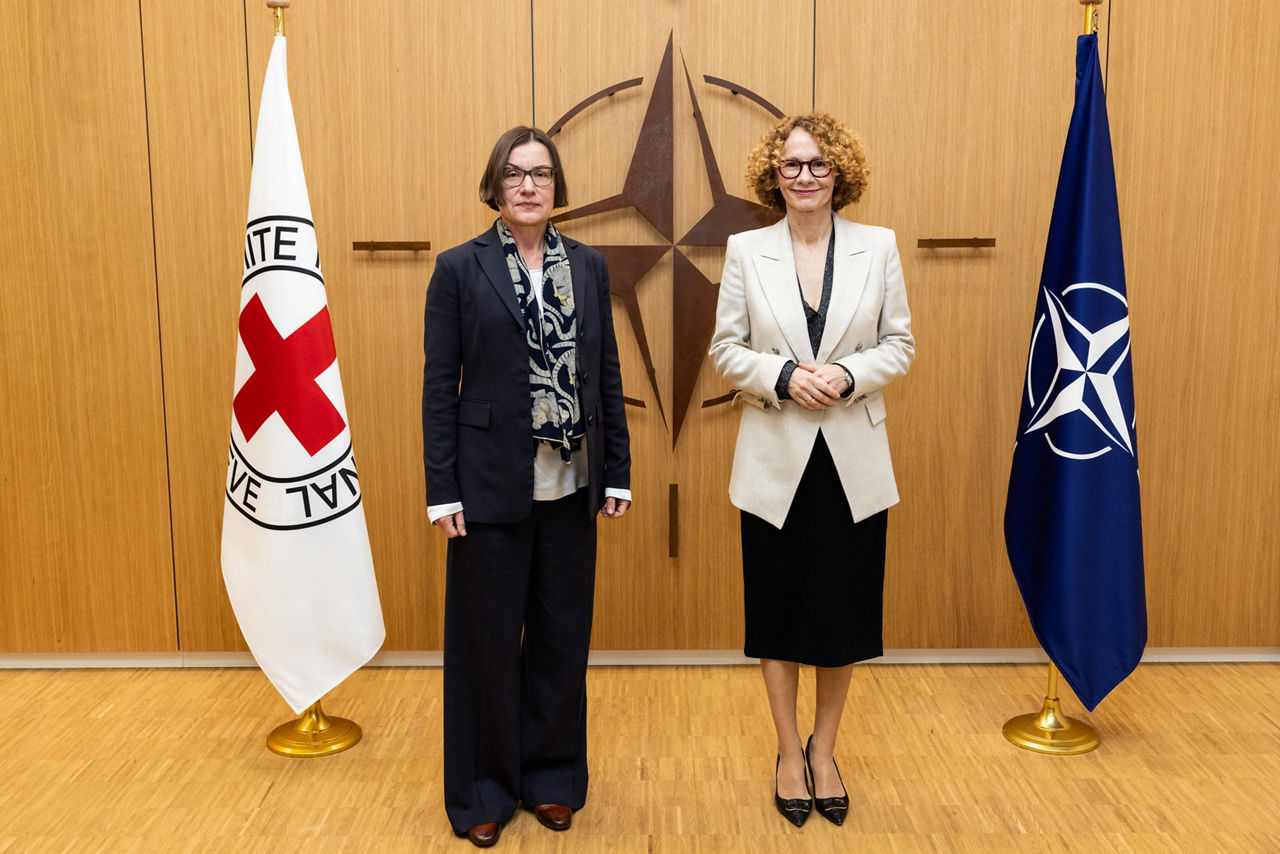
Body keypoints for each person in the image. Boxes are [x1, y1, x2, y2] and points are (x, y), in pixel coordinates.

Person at [422, 126, 631, 848]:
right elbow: (437, 387)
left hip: (572, 484)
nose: (529, 186)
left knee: (559, 639)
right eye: (515, 174)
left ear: (556, 186)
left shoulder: (590, 266)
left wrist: (619, 472)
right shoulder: (458, 269)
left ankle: (550, 779)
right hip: (485, 487)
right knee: (483, 643)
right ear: (495, 186)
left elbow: (606, 374)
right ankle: (483, 790)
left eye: (541, 173)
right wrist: (442, 489)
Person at [708, 112, 914, 828]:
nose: (805, 177)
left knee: (843, 615)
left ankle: (826, 750)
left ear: (840, 176)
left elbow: (899, 345)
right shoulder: (745, 250)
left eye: (819, 166)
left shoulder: (878, 247)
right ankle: (788, 752)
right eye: (793, 165)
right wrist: (787, 375)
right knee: (778, 614)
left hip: (853, 463)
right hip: (775, 461)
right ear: (775, 175)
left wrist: (848, 375)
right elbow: (726, 350)